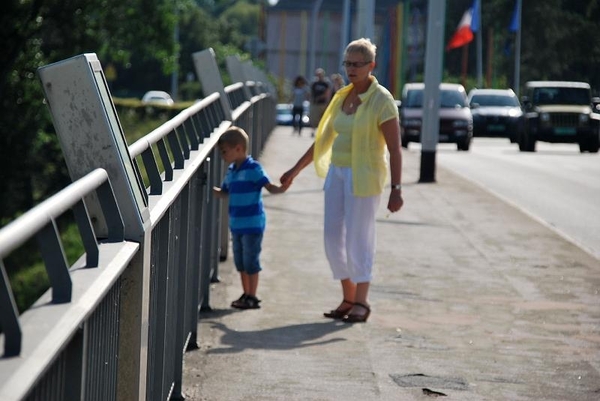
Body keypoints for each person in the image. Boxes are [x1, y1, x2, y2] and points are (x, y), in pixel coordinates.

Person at [280, 38, 404, 323]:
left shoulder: (381, 100)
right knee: (332, 237)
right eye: (348, 63)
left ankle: (362, 301)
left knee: (360, 237)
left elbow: (395, 148)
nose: (351, 69)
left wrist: (396, 189)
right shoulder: (341, 96)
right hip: (337, 173)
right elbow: (323, 140)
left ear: (371, 66)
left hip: (366, 176)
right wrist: (294, 170)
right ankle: (349, 295)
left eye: (358, 64)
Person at [213, 126, 289, 309]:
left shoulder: (253, 168)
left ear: (238, 148)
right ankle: (246, 293)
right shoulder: (231, 171)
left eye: (225, 152)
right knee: (240, 261)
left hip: (253, 224)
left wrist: (282, 188)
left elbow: (268, 186)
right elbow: (225, 192)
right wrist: (210, 188)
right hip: (237, 224)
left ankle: (252, 296)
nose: (223, 156)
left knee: (250, 260)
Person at [309, 68, 332, 136]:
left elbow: (328, 93)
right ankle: (313, 131)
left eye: (320, 74)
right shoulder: (314, 83)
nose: (319, 76)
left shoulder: (326, 83)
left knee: (323, 118)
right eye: (318, 74)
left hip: (323, 103)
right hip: (315, 103)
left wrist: (327, 102)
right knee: (314, 118)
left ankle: (322, 132)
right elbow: (311, 93)